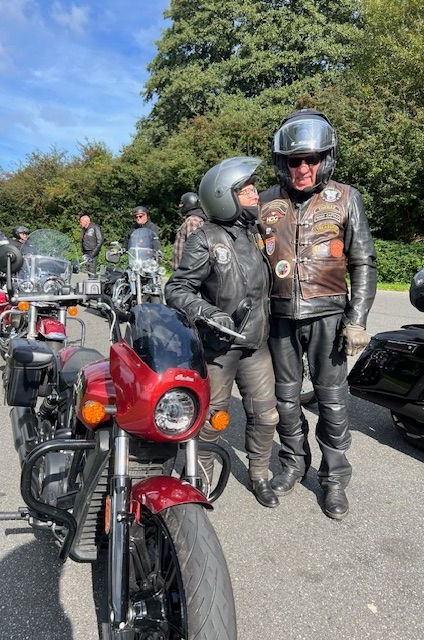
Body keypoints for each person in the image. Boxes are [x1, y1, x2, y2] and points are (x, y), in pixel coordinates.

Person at [259, 108, 377, 519]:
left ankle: (334, 477)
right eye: (294, 161)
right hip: (279, 317)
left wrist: (357, 319)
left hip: (329, 315)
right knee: (286, 398)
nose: (303, 169)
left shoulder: (345, 197)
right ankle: (294, 463)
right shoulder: (265, 202)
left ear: (325, 159)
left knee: (332, 400)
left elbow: (363, 261)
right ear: (283, 163)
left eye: (311, 159)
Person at [166, 157, 279, 508]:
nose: (256, 194)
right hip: (220, 346)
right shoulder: (205, 237)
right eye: (247, 190)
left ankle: (260, 474)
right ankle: (199, 479)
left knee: (266, 415)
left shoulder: (255, 233)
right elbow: (177, 287)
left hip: (256, 343)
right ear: (223, 196)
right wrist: (208, 312)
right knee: (213, 419)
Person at [172, 192, 207, 270]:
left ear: (189, 203)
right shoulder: (194, 219)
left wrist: (189, 271)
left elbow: (193, 248)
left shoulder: (192, 221)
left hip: (186, 271)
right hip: (184, 270)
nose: (179, 206)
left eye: (182, 203)